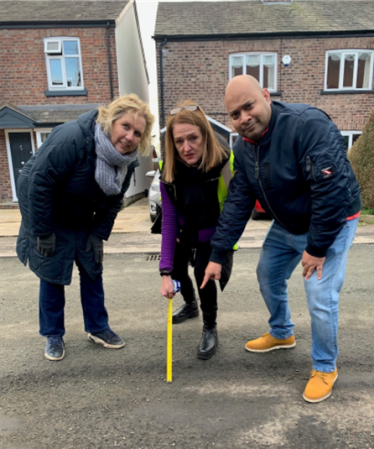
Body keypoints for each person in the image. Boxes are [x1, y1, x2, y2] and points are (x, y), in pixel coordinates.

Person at [202, 75, 361, 402]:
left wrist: (317, 248)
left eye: (249, 106)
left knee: (319, 292)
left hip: (332, 221)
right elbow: (238, 201)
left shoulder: (307, 126)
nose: (244, 118)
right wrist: (217, 253)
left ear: (265, 96)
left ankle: (325, 365)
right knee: (267, 273)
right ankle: (282, 333)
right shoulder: (243, 150)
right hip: (290, 222)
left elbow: (332, 192)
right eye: (235, 114)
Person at [16, 94, 155, 361]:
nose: (129, 136)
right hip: (47, 211)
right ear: (111, 120)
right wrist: (42, 231)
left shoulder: (127, 162)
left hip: (81, 216)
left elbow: (114, 202)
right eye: (125, 126)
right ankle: (53, 334)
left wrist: (98, 233)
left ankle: (98, 327)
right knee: (52, 272)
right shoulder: (72, 138)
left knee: (92, 268)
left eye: (137, 132)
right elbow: (38, 184)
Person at [159, 101, 234, 360]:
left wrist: (220, 251)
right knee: (178, 270)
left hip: (215, 233)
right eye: (179, 141)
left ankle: (209, 326)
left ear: (205, 136)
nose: (186, 148)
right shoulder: (168, 170)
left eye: (193, 138)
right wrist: (165, 271)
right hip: (184, 232)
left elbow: (235, 211)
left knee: (203, 271)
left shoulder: (224, 162)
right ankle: (190, 305)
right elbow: (169, 220)